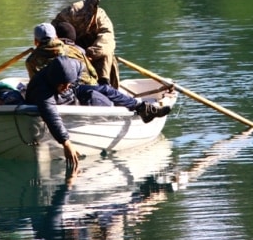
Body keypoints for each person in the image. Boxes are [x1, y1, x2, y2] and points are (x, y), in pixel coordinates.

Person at [25, 56, 171, 163]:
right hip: (58, 102)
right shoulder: (42, 90)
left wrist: (71, 87)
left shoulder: (73, 68)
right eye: (62, 85)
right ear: (53, 80)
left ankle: (142, 108)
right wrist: (66, 143)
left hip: (71, 95)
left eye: (67, 83)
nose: (65, 87)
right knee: (93, 97)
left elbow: (78, 74)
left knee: (106, 89)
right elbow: (51, 115)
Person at [53, 0, 120, 88]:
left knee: (108, 55)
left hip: (94, 52)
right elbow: (54, 31)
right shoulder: (69, 13)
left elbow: (107, 39)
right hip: (73, 48)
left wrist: (90, 54)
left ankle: (105, 84)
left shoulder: (101, 17)